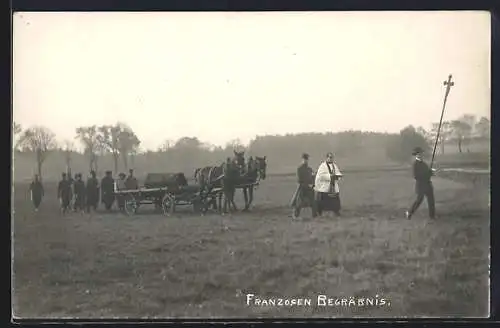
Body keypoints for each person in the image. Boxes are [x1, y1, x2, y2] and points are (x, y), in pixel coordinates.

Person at [405, 146, 436, 220]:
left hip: (428, 184)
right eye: (419, 153)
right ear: (416, 155)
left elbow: (428, 173)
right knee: (419, 201)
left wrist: (431, 172)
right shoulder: (415, 164)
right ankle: (409, 212)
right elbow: (416, 176)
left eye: (421, 153)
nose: (420, 155)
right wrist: (427, 173)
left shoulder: (424, 164)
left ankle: (432, 216)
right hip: (421, 186)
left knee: (431, 201)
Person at [314, 152, 343, 216]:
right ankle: (319, 212)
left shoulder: (334, 165)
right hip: (324, 186)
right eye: (329, 157)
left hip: (333, 185)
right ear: (326, 158)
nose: (331, 159)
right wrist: (330, 176)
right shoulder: (322, 166)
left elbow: (338, 172)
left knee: (335, 199)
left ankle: (336, 211)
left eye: (332, 157)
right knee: (322, 201)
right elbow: (320, 175)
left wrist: (338, 176)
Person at [290, 153, 317, 219]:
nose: (305, 160)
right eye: (304, 159)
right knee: (299, 201)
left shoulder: (309, 169)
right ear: (302, 160)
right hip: (302, 187)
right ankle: (295, 215)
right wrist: (307, 183)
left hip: (308, 187)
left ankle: (314, 215)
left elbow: (312, 179)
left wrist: (313, 179)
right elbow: (299, 180)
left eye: (307, 159)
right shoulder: (299, 169)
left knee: (314, 200)